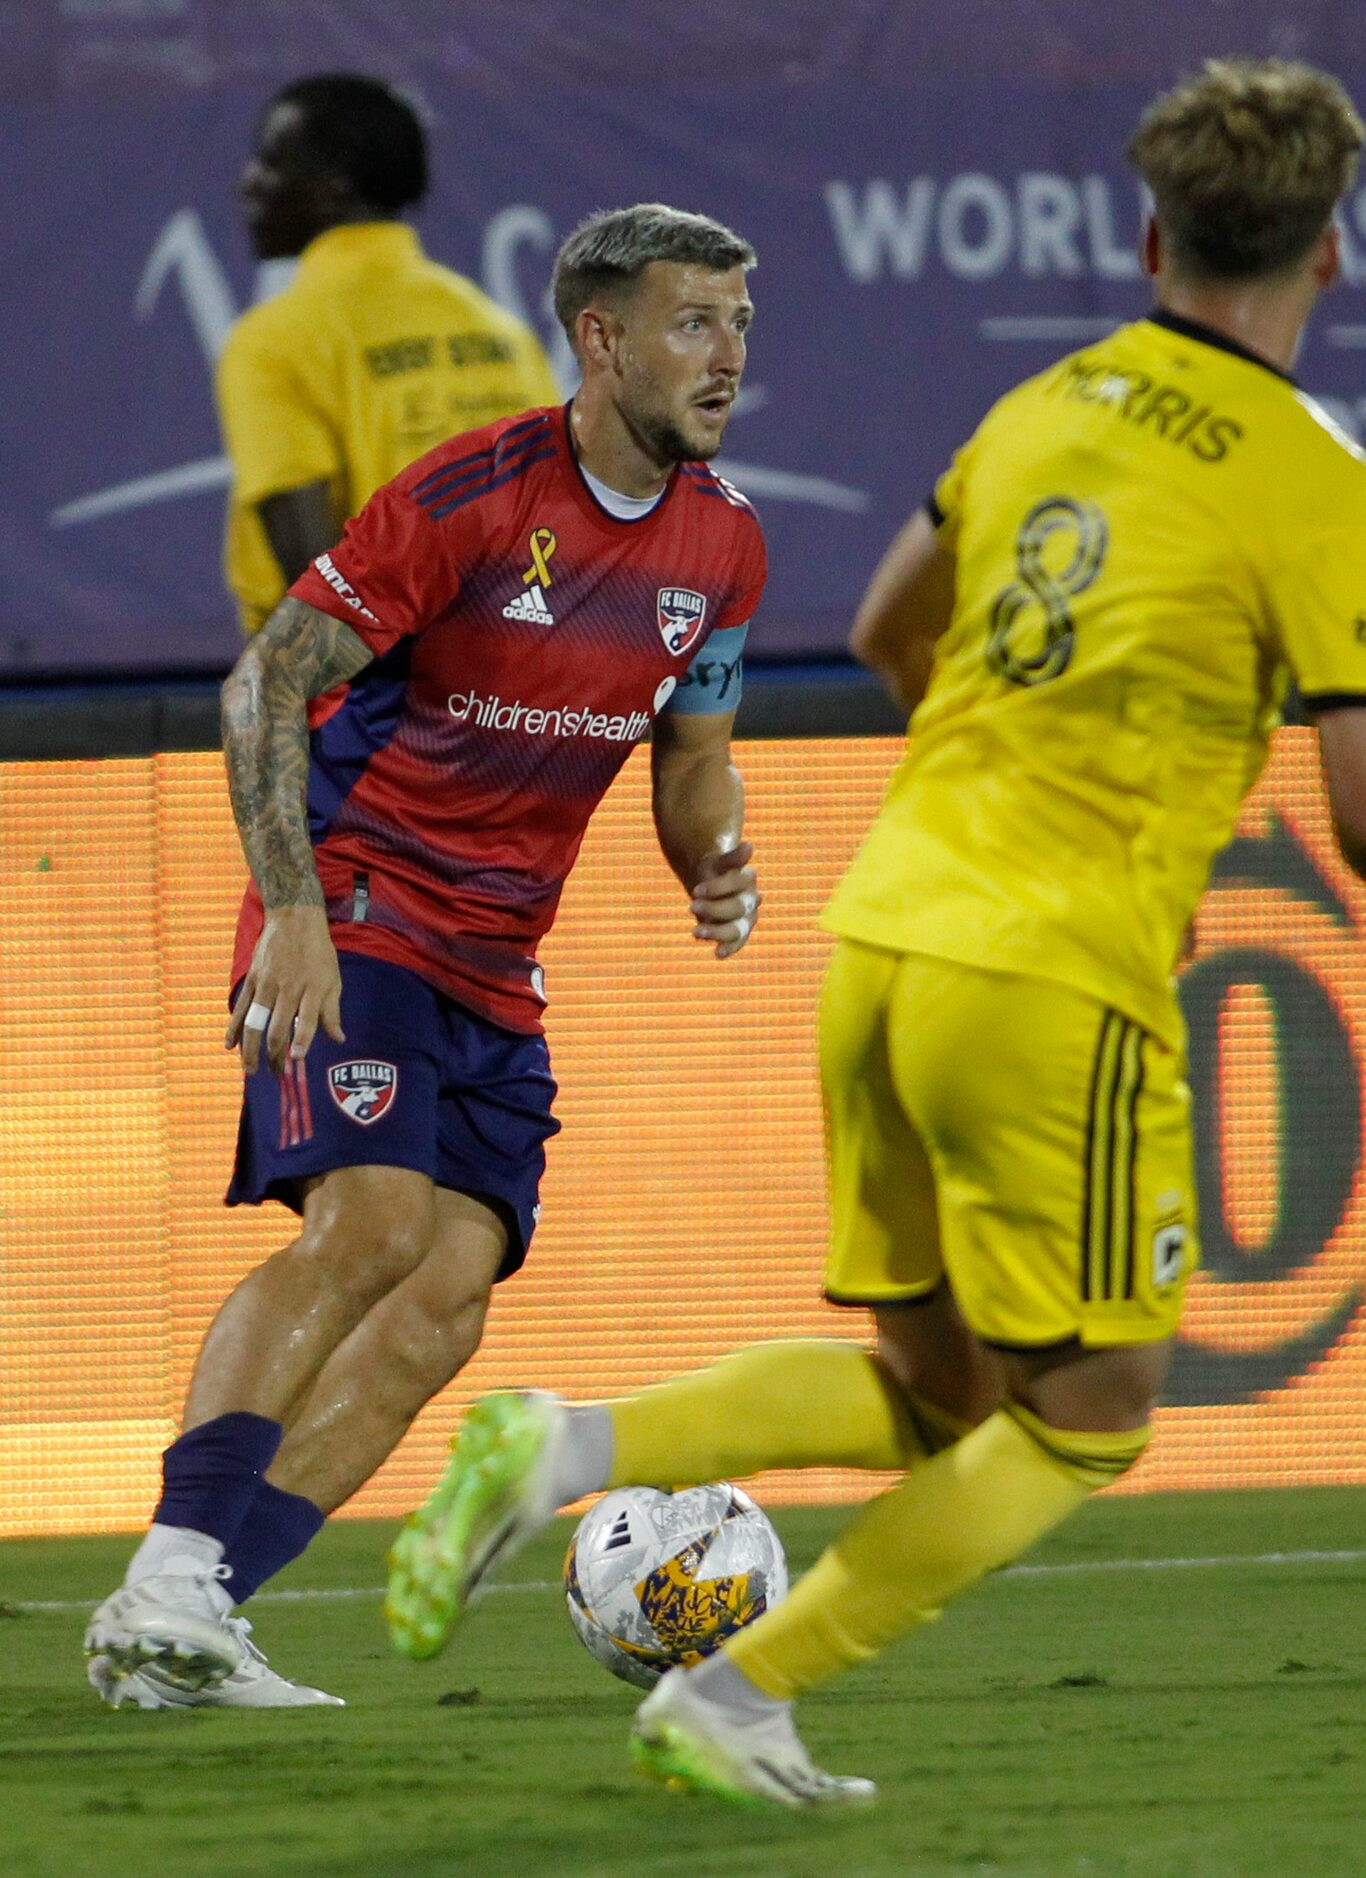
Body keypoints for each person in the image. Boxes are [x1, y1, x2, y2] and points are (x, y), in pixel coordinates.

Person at [385, 57, 1366, 1806]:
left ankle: (566, 1439)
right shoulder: (1324, 476)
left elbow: (895, 629)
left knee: (939, 1379)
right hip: (1055, 965)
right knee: (1090, 1410)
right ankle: (737, 1693)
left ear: (1145, 230)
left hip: (885, 926)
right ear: (1333, 252)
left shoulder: (1047, 404)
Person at [84, 204, 766, 1709]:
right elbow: (266, 684)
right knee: (374, 1226)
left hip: (495, 959)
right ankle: (169, 1570)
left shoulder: (724, 545)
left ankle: (188, 1623)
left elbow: (690, 758)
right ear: (600, 339)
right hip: (358, 897)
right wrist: (300, 913)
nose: (727, 357)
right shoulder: (474, 495)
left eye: (738, 321)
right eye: (692, 322)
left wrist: (716, 858)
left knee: (446, 1297)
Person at [217, 71, 560, 640]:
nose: (250, 182)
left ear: (333, 185)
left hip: (372, 704)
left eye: (272, 161)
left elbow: (317, 586)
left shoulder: (272, 342)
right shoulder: (502, 333)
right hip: (517, 693)